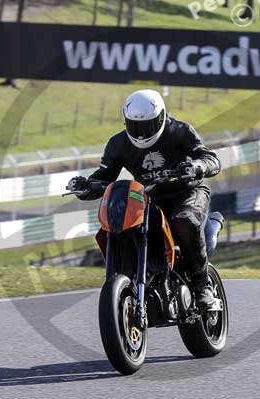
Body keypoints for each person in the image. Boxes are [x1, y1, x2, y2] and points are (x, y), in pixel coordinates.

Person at [69, 89, 221, 309]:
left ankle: (201, 285)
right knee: (119, 228)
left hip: (188, 193)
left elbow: (210, 158)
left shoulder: (180, 130)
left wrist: (197, 166)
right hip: (150, 200)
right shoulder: (118, 144)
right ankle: (134, 279)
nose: (141, 134)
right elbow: (102, 179)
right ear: (125, 121)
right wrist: (85, 187)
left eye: (147, 126)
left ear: (160, 118)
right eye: (135, 126)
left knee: (184, 221)